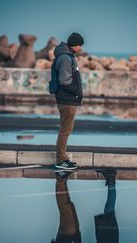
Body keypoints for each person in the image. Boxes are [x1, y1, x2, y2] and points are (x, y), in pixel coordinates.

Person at [53, 32, 84, 170]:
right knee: (65, 130)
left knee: (66, 130)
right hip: (67, 100)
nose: (81, 48)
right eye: (79, 45)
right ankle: (61, 160)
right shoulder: (66, 58)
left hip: (68, 99)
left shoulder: (69, 56)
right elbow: (65, 81)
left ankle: (63, 159)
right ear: (74, 45)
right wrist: (76, 91)